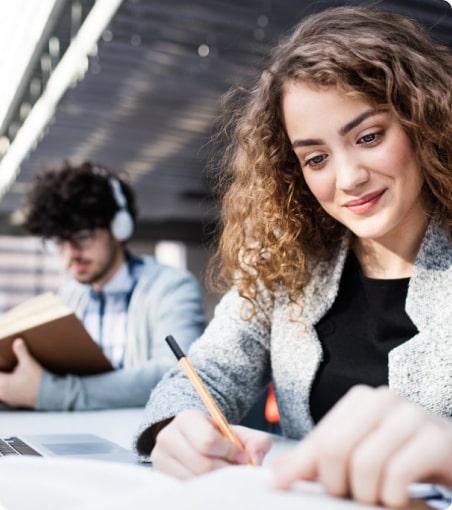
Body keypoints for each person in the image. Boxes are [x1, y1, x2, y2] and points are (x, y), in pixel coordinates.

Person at [134, 5, 452, 507]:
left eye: (368, 137)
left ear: (423, 120)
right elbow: (209, 370)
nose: (348, 179)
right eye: (316, 158)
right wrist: (175, 426)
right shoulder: (287, 262)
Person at [0, 161, 205, 410]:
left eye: (82, 237)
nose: (70, 255)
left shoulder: (171, 288)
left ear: (119, 227)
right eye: (58, 242)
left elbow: (177, 374)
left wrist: (50, 393)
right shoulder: (67, 298)